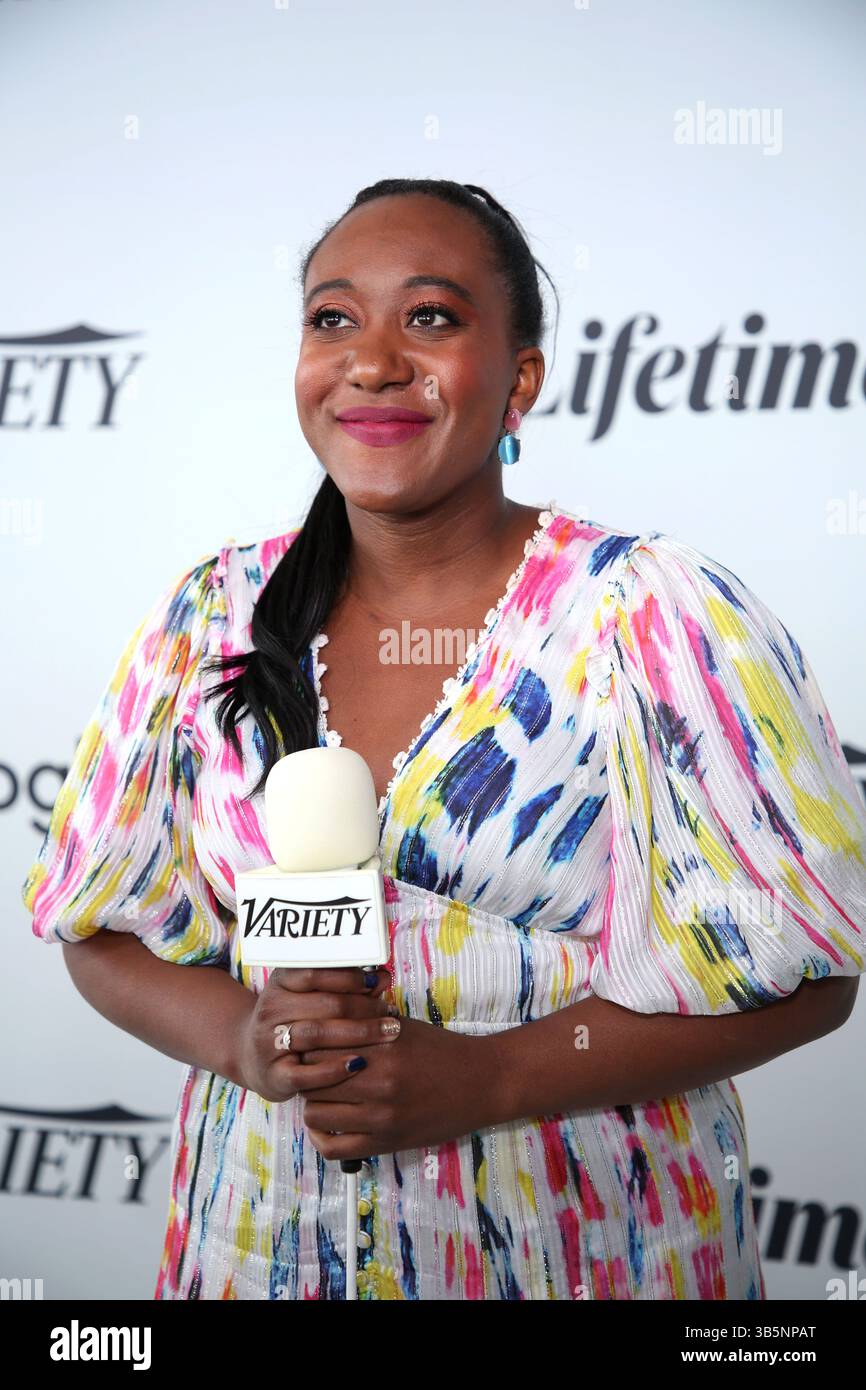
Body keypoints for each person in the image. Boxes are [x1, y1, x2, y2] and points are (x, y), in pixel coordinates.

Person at [22, 178, 866, 1302]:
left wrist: (491, 1076)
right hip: (259, 1249)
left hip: (588, 1255)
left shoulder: (652, 614)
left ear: (518, 379)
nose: (370, 361)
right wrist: (244, 1040)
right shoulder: (209, 612)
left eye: (429, 317)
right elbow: (102, 930)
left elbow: (807, 975)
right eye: (332, 318)